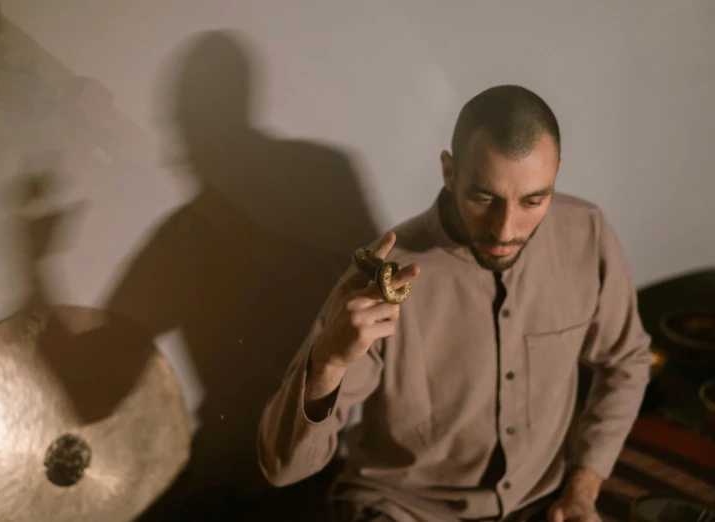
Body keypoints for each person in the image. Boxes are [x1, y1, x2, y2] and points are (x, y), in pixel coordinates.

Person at [256, 85, 653, 522]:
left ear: (556, 173)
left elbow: (627, 362)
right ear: (449, 172)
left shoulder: (587, 234)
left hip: (539, 505)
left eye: (533, 200)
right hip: (405, 511)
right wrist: (328, 362)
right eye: (484, 198)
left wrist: (583, 489)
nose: (505, 231)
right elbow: (282, 469)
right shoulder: (383, 274)